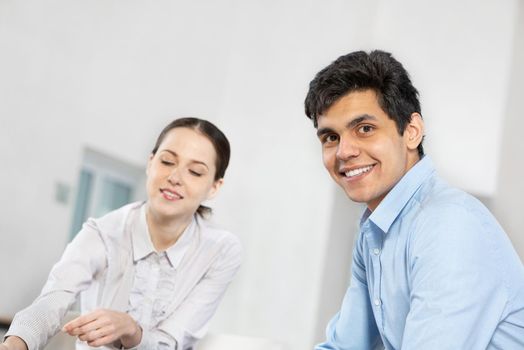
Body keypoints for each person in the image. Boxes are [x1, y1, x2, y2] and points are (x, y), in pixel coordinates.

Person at [304, 50, 524, 349]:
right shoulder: (375, 232)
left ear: (412, 132)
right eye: (331, 137)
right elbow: (345, 346)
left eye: (365, 129)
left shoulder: (449, 225)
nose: (344, 152)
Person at [1, 117, 242, 350]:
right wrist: (15, 344)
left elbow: (174, 341)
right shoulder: (103, 232)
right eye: (167, 161)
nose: (175, 177)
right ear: (150, 163)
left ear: (214, 186)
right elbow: (52, 301)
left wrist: (132, 331)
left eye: (195, 172)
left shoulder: (221, 250)